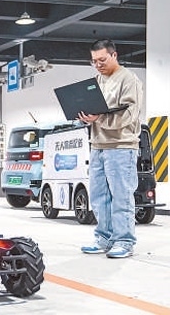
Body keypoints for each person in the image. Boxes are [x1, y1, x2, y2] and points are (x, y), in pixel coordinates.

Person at [78, 38, 143, 259]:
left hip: (121, 146)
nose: (98, 65)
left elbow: (129, 115)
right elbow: (96, 112)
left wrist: (99, 119)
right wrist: (85, 117)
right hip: (98, 145)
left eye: (102, 60)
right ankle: (104, 238)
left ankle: (124, 241)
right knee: (99, 196)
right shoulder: (98, 80)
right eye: (94, 61)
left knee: (121, 196)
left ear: (114, 55)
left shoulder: (128, 79)